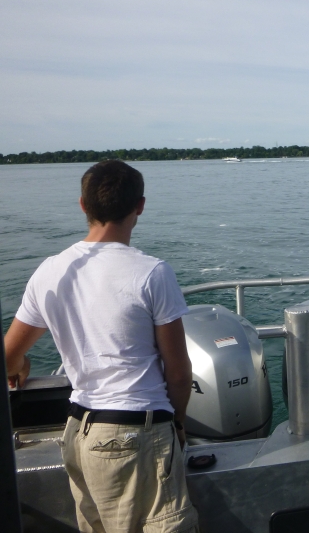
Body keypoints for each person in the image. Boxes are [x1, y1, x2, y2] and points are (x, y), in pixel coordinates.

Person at [4, 159, 199, 533]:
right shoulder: (152, 272)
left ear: (82, 205)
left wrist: (21, 364)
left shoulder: (49, 271)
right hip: (136, 434)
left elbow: (8, 359)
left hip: (79, 432)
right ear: (140, 206)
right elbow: (178, 371)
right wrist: (177, 423)